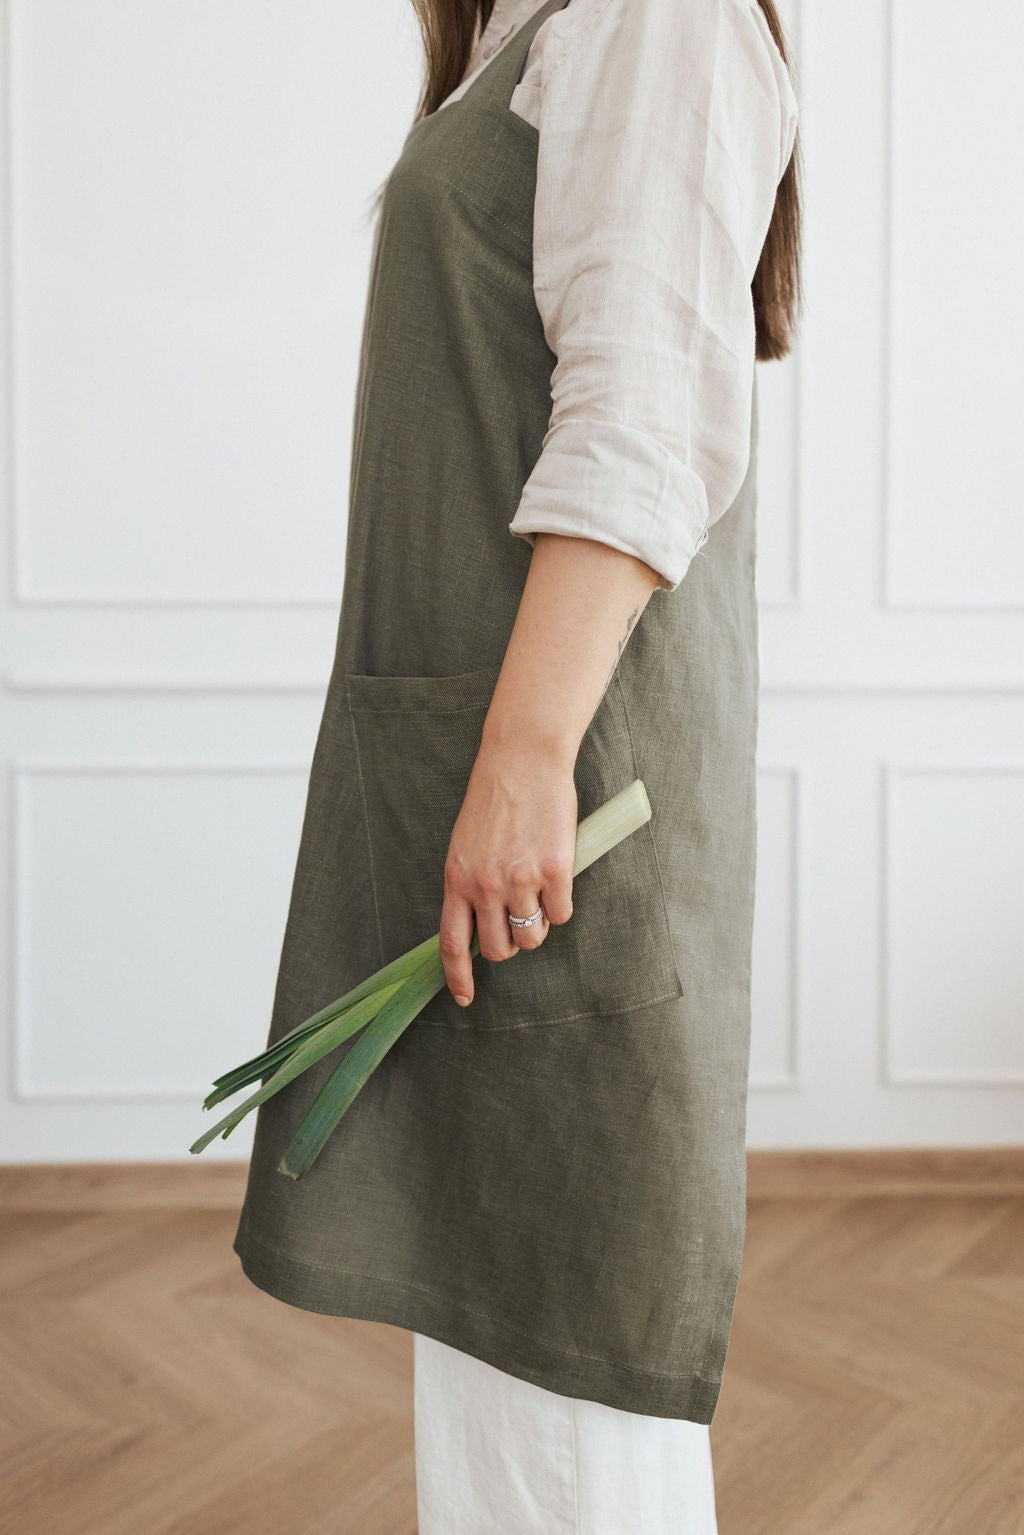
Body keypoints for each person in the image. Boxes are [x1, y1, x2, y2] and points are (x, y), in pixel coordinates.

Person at [232, 0, 802, 1529]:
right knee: (502, 1333)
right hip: (502, 771)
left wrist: (525, 757)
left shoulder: (655, 18)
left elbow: (643, 429)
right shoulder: (532, 25)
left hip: (563, 789)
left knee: (569, 1359)